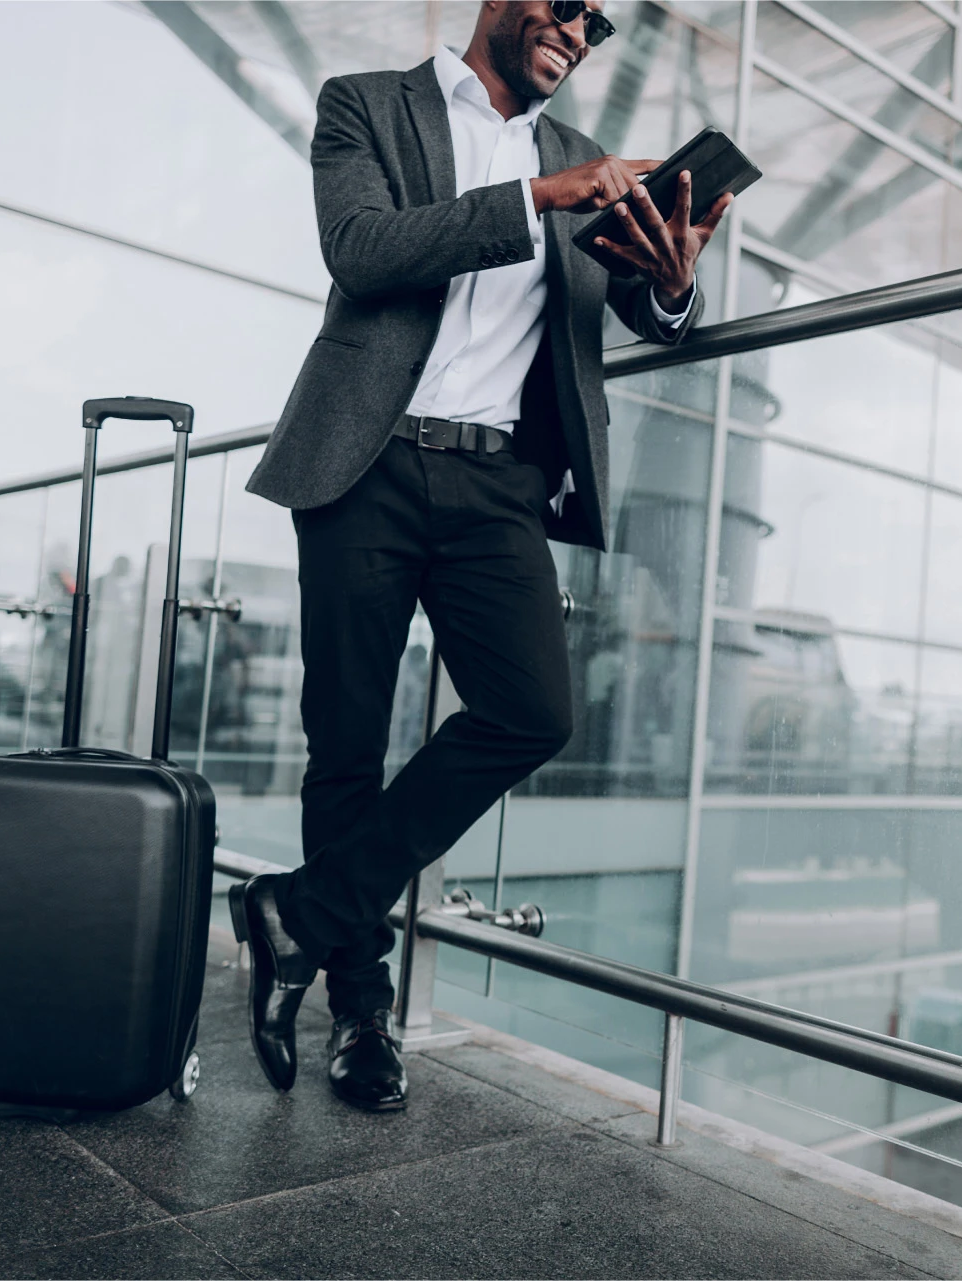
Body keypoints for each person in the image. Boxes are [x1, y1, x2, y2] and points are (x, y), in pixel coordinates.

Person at [231, 0, 729, 1112]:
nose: (581, 31)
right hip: (363, 463)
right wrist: (536, 200)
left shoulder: (584, 160)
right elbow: (362, 253)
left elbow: (651, 316)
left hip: (499, 482)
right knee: (346, 748)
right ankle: (362, 1011)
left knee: (532, 711)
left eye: (600, 26)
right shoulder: (366, 106)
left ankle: (295, 918)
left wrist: (675, 272)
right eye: (571, 8)